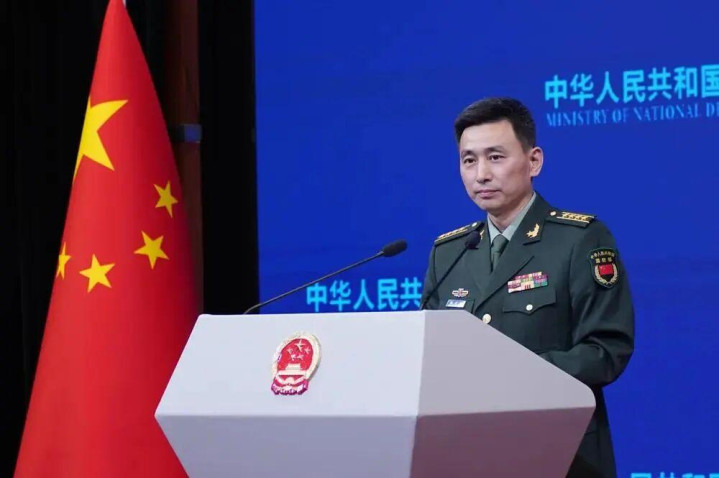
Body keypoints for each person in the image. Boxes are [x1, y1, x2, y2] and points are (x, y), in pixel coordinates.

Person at [420, 97, 634, 478]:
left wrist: (511, 376)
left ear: (534, 161)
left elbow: (606, 350)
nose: (481, 174)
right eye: (469, 160)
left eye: (495, 157)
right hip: (468, 453)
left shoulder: (579, 239)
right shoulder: (449, 252)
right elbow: (429, 357)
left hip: (559, 452)